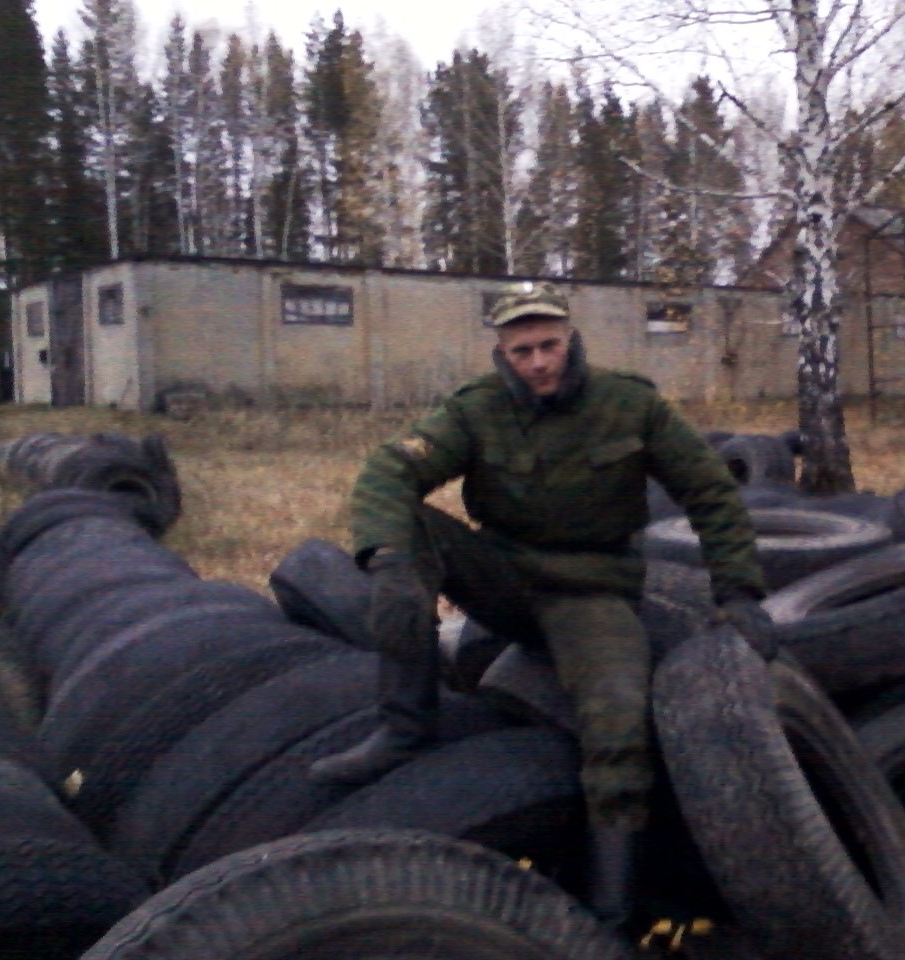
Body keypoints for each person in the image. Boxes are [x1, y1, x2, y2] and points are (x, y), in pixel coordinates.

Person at [308, 279, 776, 926]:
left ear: (571, 339)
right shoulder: (476, 409)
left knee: (619, 719)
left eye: (549, 346)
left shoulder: (629, 403)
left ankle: (612, 905)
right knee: (401, 537)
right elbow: (393, 469)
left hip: (590, 588)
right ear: (502, 353)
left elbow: (711, 490)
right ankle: (404, 729)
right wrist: (387, 559)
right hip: (502, 575)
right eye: (522, 351)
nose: (538, 363)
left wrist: (739, 590)